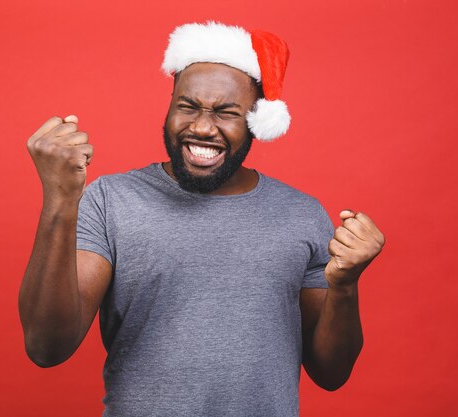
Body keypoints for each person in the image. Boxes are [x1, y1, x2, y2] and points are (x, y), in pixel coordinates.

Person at [19, 21, 385, 416]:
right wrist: (60, 200)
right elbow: (46, 347)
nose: (201, 127)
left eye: (226, 113)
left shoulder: (301, 214)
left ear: (256, 122)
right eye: (187, 106)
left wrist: (345, 286)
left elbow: (332, 373)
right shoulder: (111, 201)